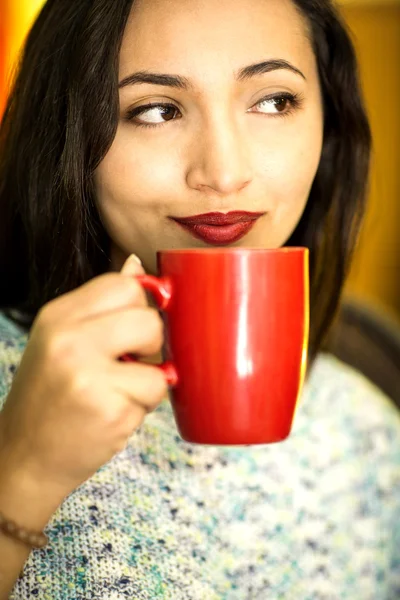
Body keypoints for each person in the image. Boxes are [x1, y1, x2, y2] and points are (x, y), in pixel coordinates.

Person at [0, 0, 399, 597]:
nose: (224, 172)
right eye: (155, 110)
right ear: (68, 134)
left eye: (274, 101)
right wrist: (23, 470)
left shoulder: (371, 436)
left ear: (329, 123)